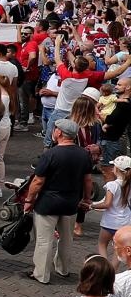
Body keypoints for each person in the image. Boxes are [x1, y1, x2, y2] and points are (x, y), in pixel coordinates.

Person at [23, 118, 96, 286]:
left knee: (44, 240)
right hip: (71, 203)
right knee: (66, 238)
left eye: (55, 129)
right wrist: (86, 198)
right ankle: (63, 268)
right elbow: (87, 180)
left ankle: (41, 274)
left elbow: (38, 181)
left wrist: (29, 200)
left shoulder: (50, 154)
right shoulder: (83, 154)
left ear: (60, 133)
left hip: (48, 203)